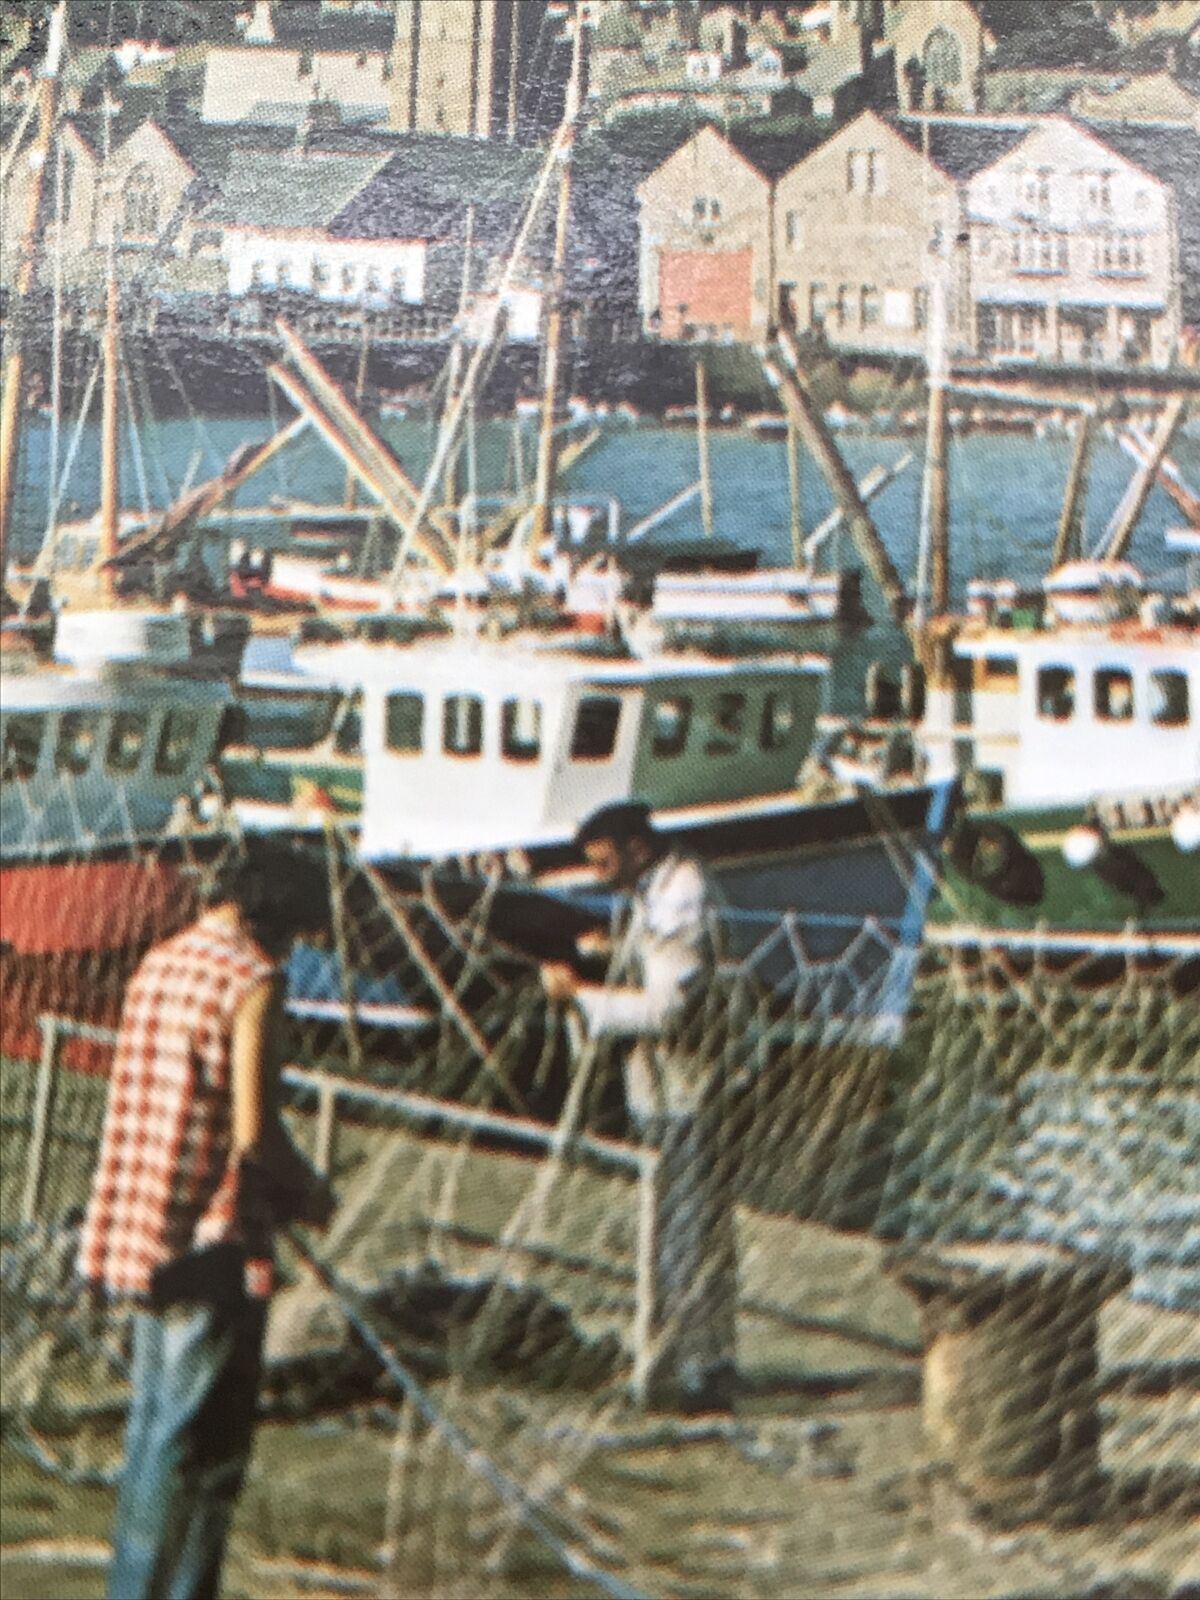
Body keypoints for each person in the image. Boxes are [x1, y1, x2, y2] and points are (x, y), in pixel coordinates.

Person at [79, 837, 335, 1600]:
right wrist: (308, 1192)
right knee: (205, 1453)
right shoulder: (251, 980)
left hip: (140, 1229)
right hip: (211, 1242)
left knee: (154, 1436)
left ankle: (137, 1585)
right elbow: (255, 1133)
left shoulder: (161, 961)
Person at [541, 802, 737, 1413]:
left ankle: (694, 1368)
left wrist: (582, 996)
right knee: (671, 1223)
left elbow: (670, 1007)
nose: (596, 871)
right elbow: (655, 962)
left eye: (603, 858)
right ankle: (683, 1354)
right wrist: (608, 951)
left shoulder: (683, 894)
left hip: (690, 1083)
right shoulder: (650, 890)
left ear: (635, 848)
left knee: (688, 1224)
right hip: (660, 1083)